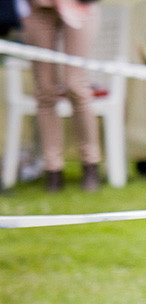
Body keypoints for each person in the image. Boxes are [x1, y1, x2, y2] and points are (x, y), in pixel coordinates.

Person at [21, 0, 102, 192]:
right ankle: (53, 168)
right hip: (38, 8)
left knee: (76, 86)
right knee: (45, 91)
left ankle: (91, 164)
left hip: (80, 6)